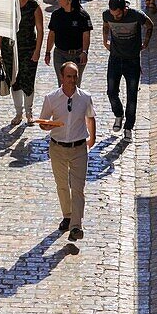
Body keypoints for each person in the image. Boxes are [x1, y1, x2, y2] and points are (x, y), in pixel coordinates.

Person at [38, 62, 96, 242]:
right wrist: (45, 126)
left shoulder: (85, 97)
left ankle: (76, 226)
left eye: (75, 76)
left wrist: (92, 138)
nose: (72, 80)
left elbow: (90, 117)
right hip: (58, 148)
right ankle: (68, 215)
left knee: (78, 189)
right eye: (69, 76)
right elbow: (43, 122)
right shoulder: (51, 98)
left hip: (79, 148)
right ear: (62, 77)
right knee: (62, 185)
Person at [102, 0, 153, 139]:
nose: (116, 17)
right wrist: (105, 41)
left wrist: (146, 42)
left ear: (124, 9)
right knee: (111, 92)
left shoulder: (136, 15)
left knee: (132, 96)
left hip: (132, 60)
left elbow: (150, 25)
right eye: (113, 14)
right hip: (115, 58)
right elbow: (106, 26)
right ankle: (118, 114)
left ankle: (128, 126)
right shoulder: (107, 15)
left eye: (118, 14)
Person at [0, 0, 44, 126]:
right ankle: (19, 113)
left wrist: (37, 51)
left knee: (28, 81)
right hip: (9, 50)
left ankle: (29, 112)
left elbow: (40, 30)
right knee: (14, 82)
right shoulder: (7, 7)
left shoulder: (33, 6)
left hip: (28, 49)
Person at [45, 0, 93, 85]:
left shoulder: (82, 16)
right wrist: (47, 52)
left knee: (75, 84)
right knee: (62, 84)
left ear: (69, 0)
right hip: (60, 54)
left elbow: (86, 35)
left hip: (77, 54)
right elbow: (52, 34)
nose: (58, 0)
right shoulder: (56, 15)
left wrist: (84, 52)